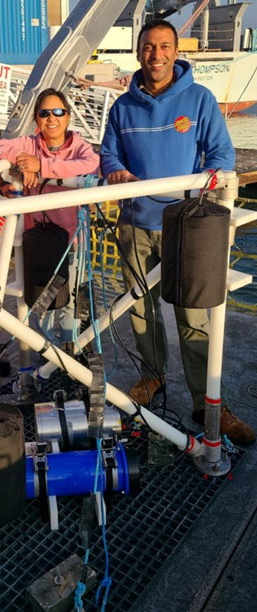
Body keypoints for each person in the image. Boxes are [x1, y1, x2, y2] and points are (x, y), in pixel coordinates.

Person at [100, 19, 255, 445]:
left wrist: (203, 183)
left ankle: (209, 401)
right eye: (149, 47)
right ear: (138, 52)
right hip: (135, 223)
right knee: (139, 307)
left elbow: (221, 154)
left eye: (164, 46)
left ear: (175, 51)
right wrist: (114, 173)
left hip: (185, 226)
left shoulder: (199, 99)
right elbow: (108, 154)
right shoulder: (122, 107)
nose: (156, 55)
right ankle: (152, 377)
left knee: (193, 314)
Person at [0, 88, 99, 344]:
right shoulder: (28, 144)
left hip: (72, 241)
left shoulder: (80, 146)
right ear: (36, 119)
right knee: (42, 305)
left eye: (58, 112)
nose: (51, 118)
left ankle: (69, 359)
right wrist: (22, 162)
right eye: (44, 113)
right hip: (40, 241)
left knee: (71, 305)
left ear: (67, 118)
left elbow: (90, 165)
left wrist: (42, 167)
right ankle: (48, 359)